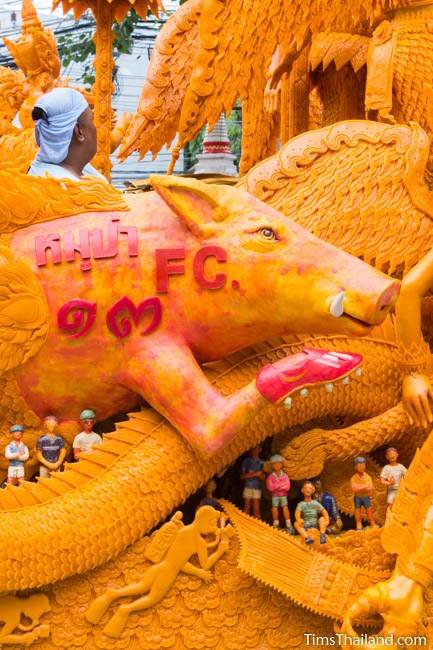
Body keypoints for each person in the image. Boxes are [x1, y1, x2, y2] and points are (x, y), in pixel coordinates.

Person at [28, 87, 104, 182]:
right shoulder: (66, 188)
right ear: (79, 131)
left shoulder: (79, 170)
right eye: (92, 120)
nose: (95, 128)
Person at [266, 454, 294, 533]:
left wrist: (277, 486)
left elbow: (287, 486)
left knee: (285, 507)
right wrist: (280, 486)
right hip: (275, 496)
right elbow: (270, 487)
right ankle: (276, 524)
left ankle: (288, 524)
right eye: (275, 464)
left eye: (279, 463)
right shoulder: (271, 476)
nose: (277, 465)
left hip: (283, 495)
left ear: (282, 464)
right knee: (274, 508)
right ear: (272, 465)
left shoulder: (284, 475)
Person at [294, 480, 329, 545]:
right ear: (302, 490)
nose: (308, 490)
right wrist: (299, 520)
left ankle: (322, 535)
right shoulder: (301, 504)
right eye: (306, 488)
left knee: (322, 519)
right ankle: (307, 538)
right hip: (306, 525)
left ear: (313, 490)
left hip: (316, 524)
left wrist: (327, 520)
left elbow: (324, 512)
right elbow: (297, 514)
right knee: (296, 523)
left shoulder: (315, 503)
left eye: (310, 488)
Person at [350, 456, 377, 531]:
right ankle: (359, 524)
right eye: (359, 466)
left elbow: (370, 487)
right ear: (355, 467)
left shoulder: (368, 477)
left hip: (366, 497)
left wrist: (360, 487)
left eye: (363, 465)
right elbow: (354, 488)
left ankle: (372, 523)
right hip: (357, 497)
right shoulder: (353, 478)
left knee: (369, 511)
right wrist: (364, 486)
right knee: (357, 511)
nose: (361, 467)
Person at [241, 446, 265, 518]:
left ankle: (256, 525)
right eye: (253, 449)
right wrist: (255, 474)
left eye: (256, 449)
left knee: (256, 508)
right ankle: (244, 524)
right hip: (248, 487)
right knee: (247, 507)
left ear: (260, 450)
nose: (254, 451)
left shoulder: (262, 463)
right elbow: (242, 476)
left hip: (257, 488)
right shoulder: (246, 461)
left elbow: (263, 477)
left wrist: (261, 475)